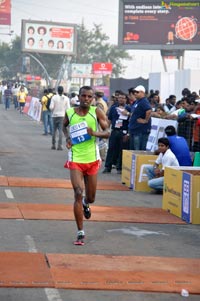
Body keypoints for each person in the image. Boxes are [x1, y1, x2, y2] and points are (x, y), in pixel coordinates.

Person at [62, 86, 110, 245]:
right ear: (79, 97)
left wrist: (94, 133)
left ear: (93, 98)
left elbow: (107, 132)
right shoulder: (70, 112)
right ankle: (80, 232)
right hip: (75, 157)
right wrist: (68, 138)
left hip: (92, 159)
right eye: (84, 96)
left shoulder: (97, 112)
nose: (87, 99)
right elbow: (64, 126)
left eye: (90, 97)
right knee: (77, 191)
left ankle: (86, 204)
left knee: (91, 197)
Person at [102, 91, 130, 174]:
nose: (121, 99)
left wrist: (128, 133)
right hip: (114, 131)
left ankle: (120, 167)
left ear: (126, 99)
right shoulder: (114, 108)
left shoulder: (128, 108)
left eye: (123, 98)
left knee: (122, 150)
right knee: (111, 149)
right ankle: (108, 167)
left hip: (123, 131)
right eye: (119, 98)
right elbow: (109, 119)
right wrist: (107, 129)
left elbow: (132, 119)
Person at [128, 85, 152, 150]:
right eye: (134, 92)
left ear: (142, 93)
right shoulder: (137, 101)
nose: (135, 93)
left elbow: (149, 110)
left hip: (140, 131)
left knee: (138, 150)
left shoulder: (144, 101)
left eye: (137, 92)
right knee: (133, 150)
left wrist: (145, 120)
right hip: (134, 129)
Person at [49, 86, 70, 150]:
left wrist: (53, 111)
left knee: (54, 131)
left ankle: (53, 145)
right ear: (63, 91)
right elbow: (68, 108)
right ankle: (60, 145)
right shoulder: (66, 98)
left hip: (55, 115)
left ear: (57, 91)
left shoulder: (54, 97)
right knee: (61, 131)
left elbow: (51, 107)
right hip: (62, 116)